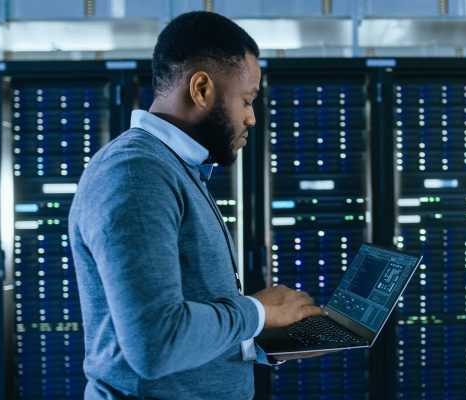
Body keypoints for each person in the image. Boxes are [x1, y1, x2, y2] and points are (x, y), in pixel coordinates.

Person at [69, 11, 325, 399]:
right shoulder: (136, 173)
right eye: (246, 101)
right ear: (202, 89)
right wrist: (257, 312)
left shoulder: (175, 168)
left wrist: (267, 340)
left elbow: (187, 325)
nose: (251, 118)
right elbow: (155, 344)